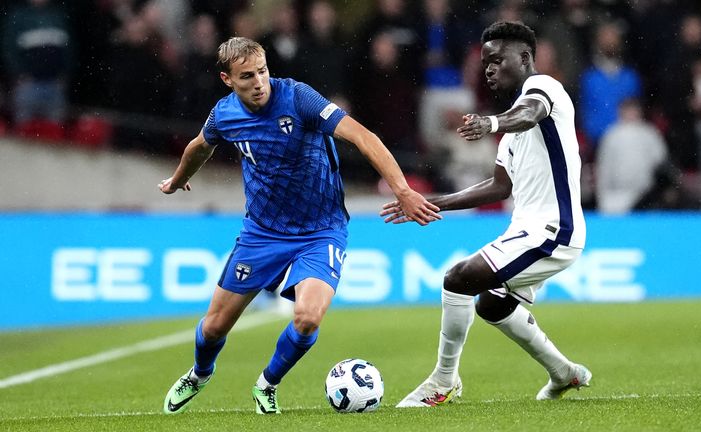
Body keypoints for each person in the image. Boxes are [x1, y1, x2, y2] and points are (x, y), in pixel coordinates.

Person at [159, 36, 439, 415]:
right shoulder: (224, 114)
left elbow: (362, 135)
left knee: (307, 318)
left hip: (321, 229)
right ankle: (199, 374)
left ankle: (267, 384)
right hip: (262, 232)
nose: (258, 82)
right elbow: (199, 146)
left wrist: (402, 189)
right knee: (212, 329)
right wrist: (178, 179)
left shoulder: (298, 98)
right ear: (227, 79)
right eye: (247, 76)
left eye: (262, 71)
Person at [381, 21, 591, 407]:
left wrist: (491, 122)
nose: (489, 69)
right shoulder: (511, 129)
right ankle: (564, 373)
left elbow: (531, 112)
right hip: (530, 228)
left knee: (458, 278)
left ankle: (443, 382)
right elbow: (499, 187)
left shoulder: (543, 89)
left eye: (498, 60)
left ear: (526, 58)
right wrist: (431, 202)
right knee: (492, 303)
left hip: (553, 229)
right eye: (485, 63)